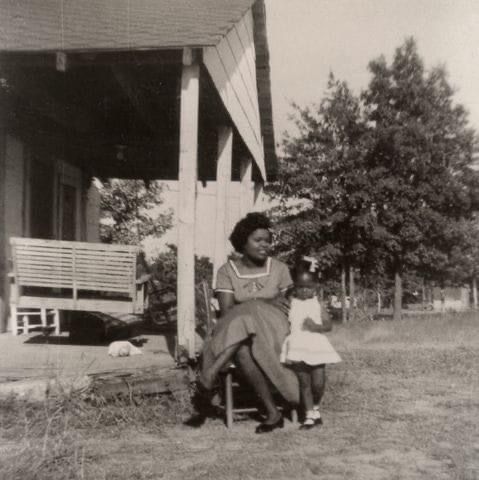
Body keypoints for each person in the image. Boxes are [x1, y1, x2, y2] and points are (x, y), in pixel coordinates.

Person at [198, 213, 299, 434]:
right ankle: (273, 413)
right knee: (243, 348)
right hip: (240, 329)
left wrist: (258, 303)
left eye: (267, 240)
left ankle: (210, 373)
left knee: (250, 311)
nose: (265, 245)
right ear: (243, 242)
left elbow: (288, 307)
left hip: (274, 329)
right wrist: (265, 301)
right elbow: (227, 312)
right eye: (258, 240)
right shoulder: (227, 271)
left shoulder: (280, 269)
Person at [280, 257, 341, 429]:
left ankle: (316, 408)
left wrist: (315, 326)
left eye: (309, 287)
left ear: (315, 287)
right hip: (298, 345)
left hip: (316, 345)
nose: (305, 290)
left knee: (318, 383)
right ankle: (308, 415)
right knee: (304, 383)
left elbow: (328, 326)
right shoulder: (291, 303)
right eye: (300, 287)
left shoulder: (318, 304)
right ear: (295, 287)